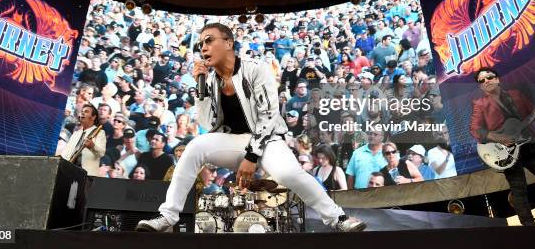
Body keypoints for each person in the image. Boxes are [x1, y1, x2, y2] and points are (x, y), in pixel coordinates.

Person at [136, 23, 366, 232]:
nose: (203, 47)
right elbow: (207, 123)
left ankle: (338, 219)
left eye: (209, 40)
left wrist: (251, 156)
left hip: (267, 140)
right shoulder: (210, 80)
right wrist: (201, 89)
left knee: (288, 173)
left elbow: (268, 115)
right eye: (200, 44)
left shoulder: (257, 69)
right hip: (233, 141)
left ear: (228, 43)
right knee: (195, 146)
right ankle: (167, 216)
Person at [470, 67, 535, 226]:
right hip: (505, 152)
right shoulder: (480, 104)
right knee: (519, 190)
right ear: (481, 86)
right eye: (481, 81)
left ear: (497, 79)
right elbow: (475, 129)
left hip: (530, 146)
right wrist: (498, 137)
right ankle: (529, 227)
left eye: (489, 77)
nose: (486, 81)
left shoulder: (516, 95)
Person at [59, 104, 106, 176]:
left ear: (93, 117)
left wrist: (92, 146)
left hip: (87, 175)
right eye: (82, 111)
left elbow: (101, 153)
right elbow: (66, 152)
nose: (82, 113)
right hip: (70, 172)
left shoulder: (100, 133)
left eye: (86, 111)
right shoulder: (76, 134)